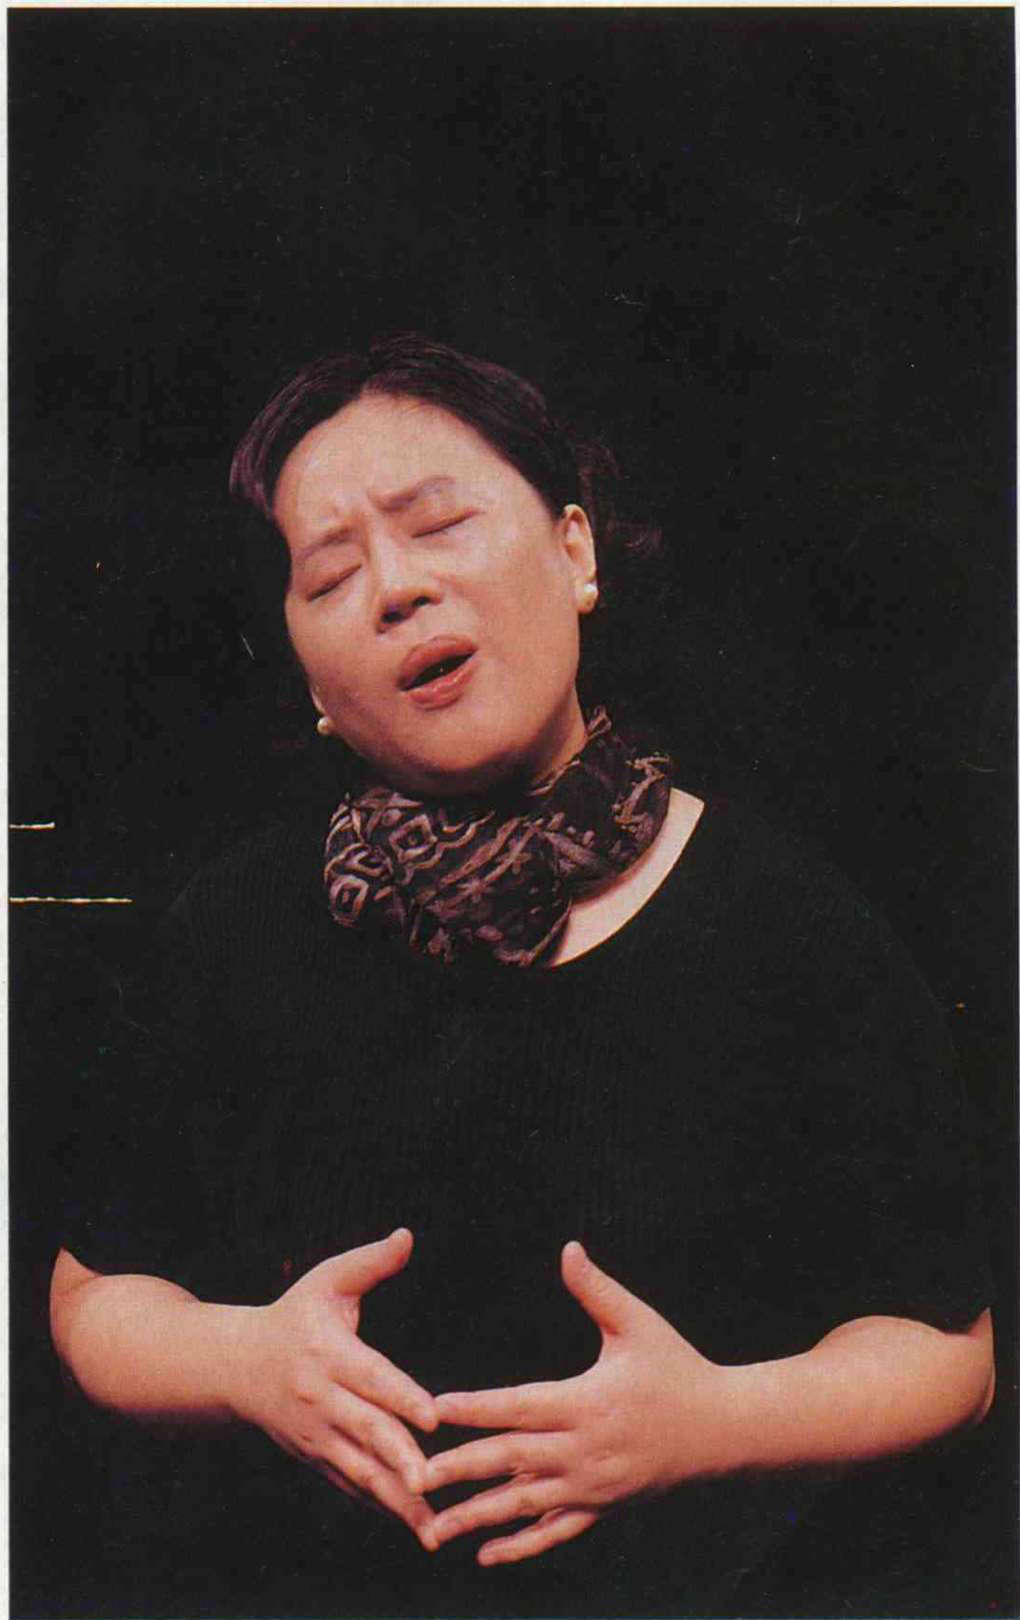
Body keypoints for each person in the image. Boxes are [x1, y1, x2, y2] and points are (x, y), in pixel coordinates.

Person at [51, 336, 994, 1618]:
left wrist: (715, 1423)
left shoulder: (792, 927)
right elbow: (94, 1297)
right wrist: (243, 1358)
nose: (397, 589)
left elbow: (950, 1354)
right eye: (331, 574)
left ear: (576, 551)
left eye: (440, 525)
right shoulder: (231, 928)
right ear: (309, 677)